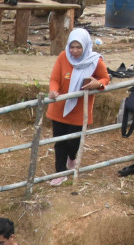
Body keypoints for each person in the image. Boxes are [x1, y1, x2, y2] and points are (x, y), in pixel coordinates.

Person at [46, 28, 109, 186]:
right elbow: (54, 79)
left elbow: (105, 78)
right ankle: (60, 172)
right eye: (72, 46)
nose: (74, 51)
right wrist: (53, 90)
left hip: (80, 110)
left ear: (86, 46)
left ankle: (72, 157)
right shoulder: (63, 57)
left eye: (78, 47)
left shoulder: (95, 61)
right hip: (59, 108)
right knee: (60, 142)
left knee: (73, 142)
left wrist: (98, 83)